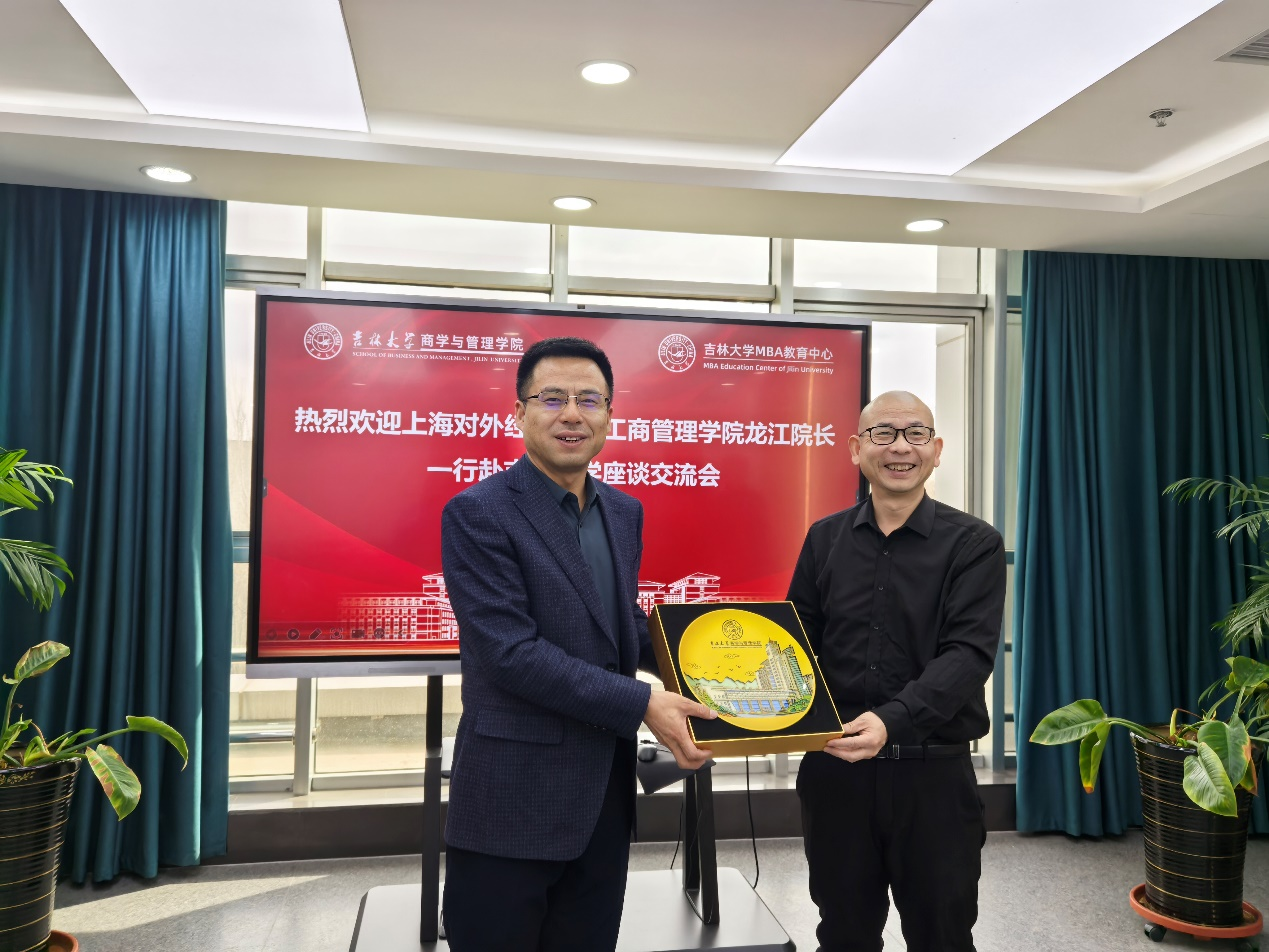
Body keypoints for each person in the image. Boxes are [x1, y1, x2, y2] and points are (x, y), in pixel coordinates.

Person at [440, 336, 715, 952]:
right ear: (519, 412)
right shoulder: (478, 512)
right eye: (552, 398)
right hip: (512, 800)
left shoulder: (623, 511)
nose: (572, 414)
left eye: (589, 400)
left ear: (609, 414)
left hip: (602, 799)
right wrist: (643, 703)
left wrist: (708, 661)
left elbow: (616, 622)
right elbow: (510, 653)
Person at [787, 390, 1006, 952]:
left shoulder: (975, 544)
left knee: (942, 935)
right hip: (836, 774)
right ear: (856, 449)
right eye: (883, 434)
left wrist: (892, 720)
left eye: (915, 434)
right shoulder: (823, 539)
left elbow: (968, 655)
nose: (899, 447)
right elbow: (796, 647)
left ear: (937, 450)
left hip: (932, 779)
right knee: (843, 933)